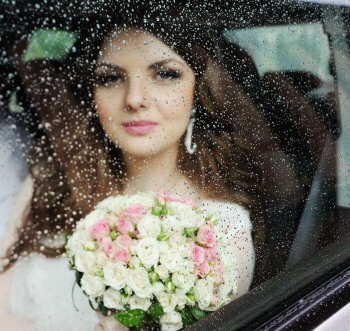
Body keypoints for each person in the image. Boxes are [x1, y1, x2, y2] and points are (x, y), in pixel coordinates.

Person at [0, 13, 258, 331]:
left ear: (198, 91)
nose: (134, 99)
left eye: (165, 74)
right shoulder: (50, 179)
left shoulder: (223, 231)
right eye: (110, 78)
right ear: (91, 96)